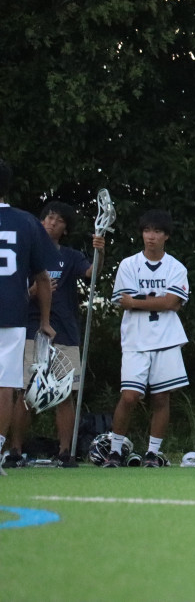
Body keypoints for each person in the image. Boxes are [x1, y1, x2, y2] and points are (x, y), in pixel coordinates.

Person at [4, 202, 105, 468]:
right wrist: (33, 292)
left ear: (66, 229)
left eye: (59, 220)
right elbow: (14, 291)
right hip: (31, 329)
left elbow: (91, 273)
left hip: (64, 331)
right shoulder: (25, 253)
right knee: (26, 391)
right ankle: (14, 450)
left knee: (64, 393)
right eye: (48, 218)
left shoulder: (70, 256)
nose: (51, 223)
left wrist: (99, 252)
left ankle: (65, 451)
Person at [105, 209, 190, 467]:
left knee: (161, 397)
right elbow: (124, 301)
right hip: (135, 339)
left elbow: (172, 301)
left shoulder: (176, 267)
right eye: (146, 231)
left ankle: (152, 453)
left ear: (166, 236)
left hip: (166, 339)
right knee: (129, 396)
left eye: (157, 231)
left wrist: (138, 301)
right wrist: (159, 302)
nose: (151, 236)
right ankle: (115, 451)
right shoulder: (128, 264)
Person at [0, 159, 57, 475]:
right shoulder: (26, 222)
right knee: (5, 385)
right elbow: (43, 277)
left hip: (11, 312)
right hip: (11, 310)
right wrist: (45, 321)